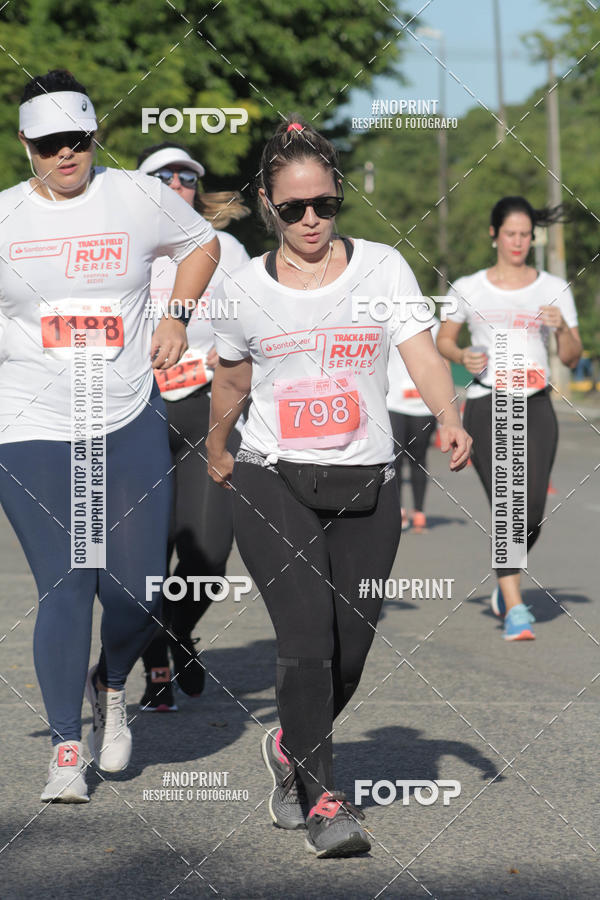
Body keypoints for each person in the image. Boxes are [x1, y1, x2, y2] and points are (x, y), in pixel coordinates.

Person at [206, 118, 471, 857]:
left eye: (324, 204)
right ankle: (325, 803)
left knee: (349, 651)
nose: (311, 220)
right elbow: (231, 379)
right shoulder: (242, 289)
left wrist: (449, 416)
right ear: (268, 205)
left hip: (367, 480)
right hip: (270, 474)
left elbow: (421, 353)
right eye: (293, 208)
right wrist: (218, 445)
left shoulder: (382, 268)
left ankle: (290, 748)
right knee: (305, 639)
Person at [0, 70, 219, 802]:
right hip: (31, 423)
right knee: (68, 580)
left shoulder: (134, 195)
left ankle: (112, 681)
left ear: (95, 136)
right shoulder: (5, 219)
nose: (66, 154)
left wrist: (175, 315)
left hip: (125, 415)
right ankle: (66, 746)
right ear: (25, 144)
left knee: (139, 591)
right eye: (49, 144)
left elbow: (202, 243)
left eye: (78, 139)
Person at [135, 142, 250, 710]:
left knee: (208, 554)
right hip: (137, 412)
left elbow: (257, 321)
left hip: (208, 410)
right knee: (147, 553)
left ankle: (177, 630)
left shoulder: (227, 249)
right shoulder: (124, 248)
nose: (178, 184)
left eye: (187, 177)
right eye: (165, 176)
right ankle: (155, 664)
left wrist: (231, 354)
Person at [437, 196, 581, 641]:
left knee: (531, 510)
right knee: (509, 507)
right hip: (487, 403)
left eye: (525, 235)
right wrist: (462, 354)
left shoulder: (553, 287)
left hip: (535, 404)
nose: (518, 242)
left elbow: (572, 358)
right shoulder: (469, 287)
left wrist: (562, 328)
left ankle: (505, 582)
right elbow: (443, 340)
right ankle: (515, 603)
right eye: (510, 234)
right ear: (493, 235)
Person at [387, 318, 441, 532]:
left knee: (419, 458)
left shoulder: (433, 324)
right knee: (395, 458)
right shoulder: (385, 320)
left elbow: (440, 362)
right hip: (393, 402)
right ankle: (398, 510)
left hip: (424, 405)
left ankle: (419, 512)